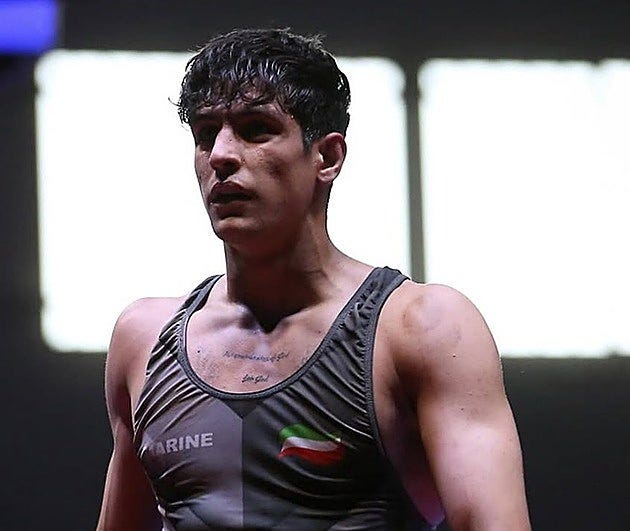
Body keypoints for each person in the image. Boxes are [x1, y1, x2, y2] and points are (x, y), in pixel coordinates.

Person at [97, 28, 530, 530]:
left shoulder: (422, 329)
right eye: (205, 134)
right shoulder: (144, 340)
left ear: (327, 157)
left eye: (256, 129)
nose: (220, 155)